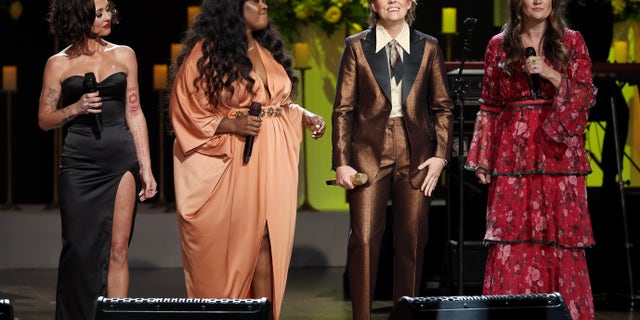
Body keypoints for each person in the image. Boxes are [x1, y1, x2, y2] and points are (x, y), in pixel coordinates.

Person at [167, 0, 326, 319]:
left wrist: (303, 113)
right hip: (234, 159)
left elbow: (275, 103)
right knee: (242, 244)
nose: (264, 4)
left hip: (273, 157)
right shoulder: (206, 53)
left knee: (269, 239)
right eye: (255, 0)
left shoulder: (266, 50)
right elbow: (184, 111)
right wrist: (229, 123)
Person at [464, 0, 597, 319]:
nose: (538, 1)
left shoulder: (572, 41)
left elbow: (585, 95)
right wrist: (483, 156)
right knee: (512, 235)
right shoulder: (498, 45)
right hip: (513, 153)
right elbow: (490, 104)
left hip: (558, 152)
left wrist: (550, 73)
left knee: (560, 238)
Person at [331, 0, 453, 319]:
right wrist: (341, 160)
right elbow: (343, 110)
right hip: (368, 151)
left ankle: (406, 316)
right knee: (364, 237)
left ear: (411, 2)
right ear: (373, 4)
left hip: (417, 152)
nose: (393, 1)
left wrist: (441, 155)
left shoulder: (428, 47)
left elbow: (442, 107)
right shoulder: (356, 46)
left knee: (413, 239)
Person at [38, 0, 157, 318]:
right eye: (99, 12)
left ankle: (114, 315)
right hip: (79, 163)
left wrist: (145, 167)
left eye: (108, 11)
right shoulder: (58, 63)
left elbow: (134, 111)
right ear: (80, 16)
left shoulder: (124, 54)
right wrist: (75, 108)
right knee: (79, 250)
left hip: (121, 161)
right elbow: (45, 119)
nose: (108, 17)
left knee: (118, 249)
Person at [566, 0, 630, 191]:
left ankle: (610, 177)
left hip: (596, 79)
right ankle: (566, 177)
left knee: (620, 110)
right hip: (568, 81)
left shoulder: (603, 7)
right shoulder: (566, 8)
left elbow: (601, 49)